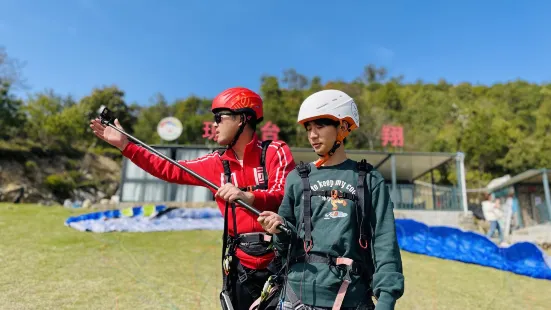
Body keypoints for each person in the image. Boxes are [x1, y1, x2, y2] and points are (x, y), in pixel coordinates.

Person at [90, 87, 296, 310]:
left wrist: (246, 196)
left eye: (219, 118)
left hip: (280, 263)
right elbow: (169, 168)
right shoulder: (215, 162)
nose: (215, 124)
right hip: (240, 267)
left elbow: (284, 192)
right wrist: (125, 145)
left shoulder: (275, 150)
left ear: (242, 119)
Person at [257, 89, 404, 310]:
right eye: (308, 128)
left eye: (320, 126)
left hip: (351, 300)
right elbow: (284, 245)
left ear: (343, 127)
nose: (312, 135)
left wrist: (386, 300)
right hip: (295, 298)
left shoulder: (369, 179)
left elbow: (385, 243)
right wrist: (278, 229)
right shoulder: (297, 178)